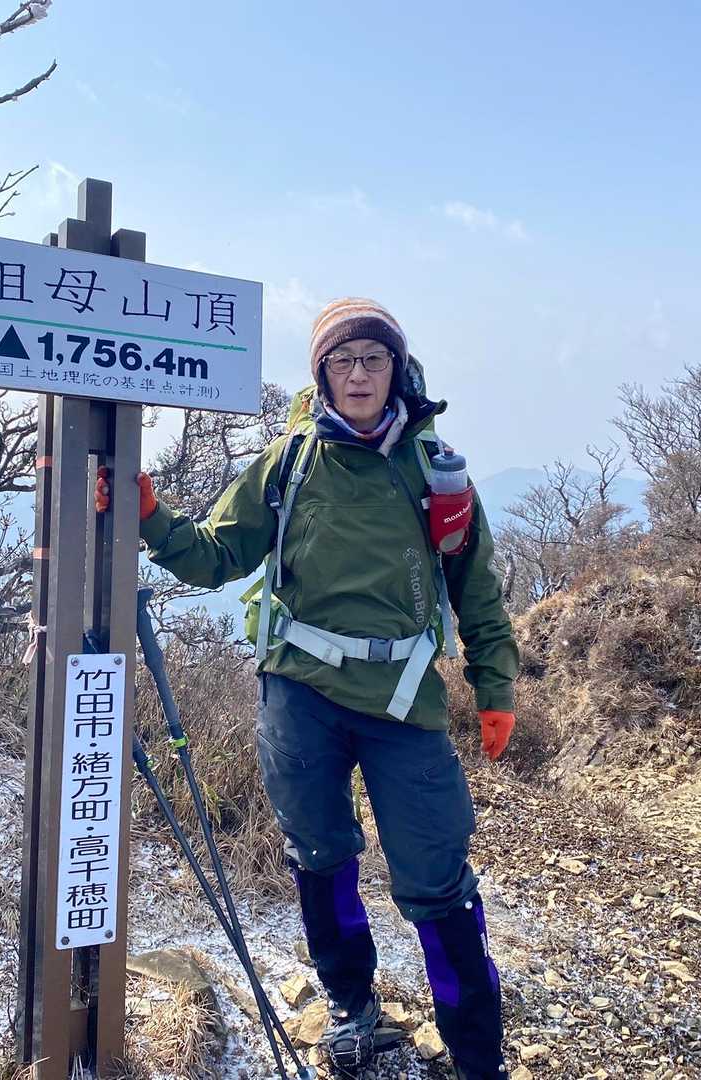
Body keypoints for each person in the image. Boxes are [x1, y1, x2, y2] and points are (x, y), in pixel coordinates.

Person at [98, 297, 519, 1079]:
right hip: (299, 695)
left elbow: (477, 590)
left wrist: (494, 684)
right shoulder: (288, 462)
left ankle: (476, 1056)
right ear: (321, 374)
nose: (358, 374)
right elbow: (217, 556)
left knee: (437, 881)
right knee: (320, 859)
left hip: (404, 700)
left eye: (373, 358)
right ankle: (351, 1007)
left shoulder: (435, 468)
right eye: (341, 360)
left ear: (396, 369)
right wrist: (152, 517)